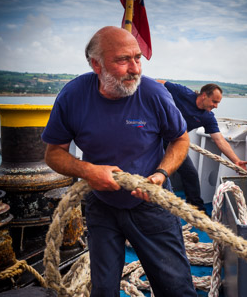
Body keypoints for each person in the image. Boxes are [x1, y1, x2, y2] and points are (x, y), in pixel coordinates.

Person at [41, 26, 198, 297]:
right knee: (103, 290)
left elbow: (180, 139)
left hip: (151, 203)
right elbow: (53, 152)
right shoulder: (72, 96)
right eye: (123, 60)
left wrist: (160, 175)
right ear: (96, 65)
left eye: (138, 58)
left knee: (176, 289)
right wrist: (88, 170)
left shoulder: (153, 94)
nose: (135, 68)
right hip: (101, 205)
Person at [158, 80, 247, 213]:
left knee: (191, 174)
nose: (216, 106)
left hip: (174, 143)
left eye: (218, 103)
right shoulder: (182, 92)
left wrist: (236, 161)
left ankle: (197, 211)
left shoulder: (207, 117)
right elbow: (159, 83)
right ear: (204, 95)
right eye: (214, 102)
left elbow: (220, 140)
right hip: (153, 137)